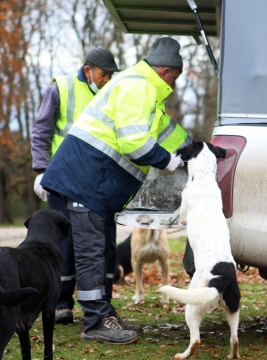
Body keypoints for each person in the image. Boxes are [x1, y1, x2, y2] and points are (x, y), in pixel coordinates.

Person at [40, 37, 192, 344]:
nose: (176, 84)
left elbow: (166, 131)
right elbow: (132, 140)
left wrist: (197, 150)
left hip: (94, 183)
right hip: (86, 180)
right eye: (175, 77)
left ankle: (103, 315)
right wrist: (168, 162)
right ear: (166, 71)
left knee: (104, 251)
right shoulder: (139, 86)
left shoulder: (147, 91)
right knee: (92, 252)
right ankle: (95, 323)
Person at [31, 48, 119, 325]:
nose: (106, 80)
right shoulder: (61, 89)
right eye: (103, 74)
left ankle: (102, 303)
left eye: (109, 75)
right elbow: (42, 130)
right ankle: (60, 304)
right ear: (88, 70)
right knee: (64, 244)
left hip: (98, 182)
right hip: (63, 180)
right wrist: (41, 170)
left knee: (105, 243)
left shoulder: (112, 91)